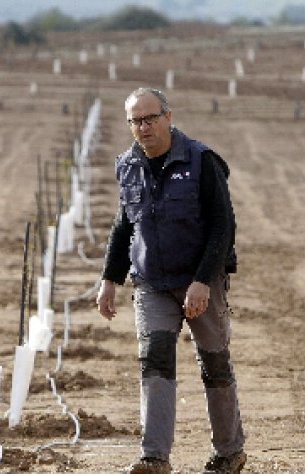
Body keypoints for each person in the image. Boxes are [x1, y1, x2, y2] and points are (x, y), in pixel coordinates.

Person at [96, 88, 246, 474]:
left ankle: (229, 452)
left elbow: (222, 226)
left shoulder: (200, 160)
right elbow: (123, 224)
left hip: (200, 279)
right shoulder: (127, 165)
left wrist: (203, 281)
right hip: (151, 282)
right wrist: (109, 279)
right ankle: (154, 457)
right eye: (136, 121)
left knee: (214, 362)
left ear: (168, 116)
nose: (144, 127)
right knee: (155, 361)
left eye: (150, 118)